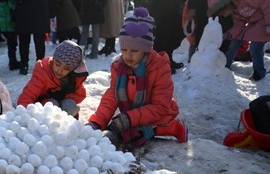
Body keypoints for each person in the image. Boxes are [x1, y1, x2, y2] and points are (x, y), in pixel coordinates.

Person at [87, 7, 188, 149]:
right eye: (123, 50)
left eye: (134, 50)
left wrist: (129, 118)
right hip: (132, 113)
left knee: (133, 136)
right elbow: (112, 97)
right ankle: (135, 126)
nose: (128, 56)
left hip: (159, 114)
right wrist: (97, 122)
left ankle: (173, 127)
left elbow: (159, 106)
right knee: (122, 132)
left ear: (146, 49)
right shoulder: (118, 67)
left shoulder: (159, 67)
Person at [17, 40, 88, 118]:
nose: (60, 70)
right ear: (53, 59)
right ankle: (48, 126)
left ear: (71, 70)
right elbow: (28, 95)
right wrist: (22, 115)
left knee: (69, 105)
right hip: (43, 104)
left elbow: (80, 95)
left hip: (63, 105)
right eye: (58, 64)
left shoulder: (73, 79)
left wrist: (64, 96)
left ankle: (67, 126)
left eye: (66, 68)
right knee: (52, 105)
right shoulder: (43, 70)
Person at [207, 0, 270, 81]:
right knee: (234, 43)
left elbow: (266, 2)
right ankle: (225, 67)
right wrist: (228, 34)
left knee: (255, 47)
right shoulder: (235, 12)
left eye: (223, 13)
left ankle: (259, 73)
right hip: (252, 24)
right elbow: (239, 24)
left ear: (226, 5)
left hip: (264, 20)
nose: (225, 16)